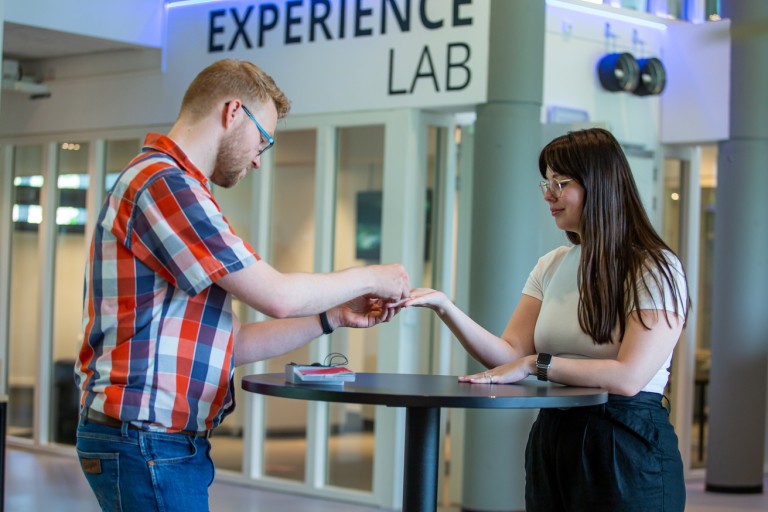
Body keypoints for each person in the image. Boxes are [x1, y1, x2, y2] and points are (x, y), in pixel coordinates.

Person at [74, 59, 410, 512]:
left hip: (156, 441)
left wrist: (332, 317)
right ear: (233, 112)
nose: (257, 158)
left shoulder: (177, 187)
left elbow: (226, 345)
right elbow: (278, 296)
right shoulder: (165, 185)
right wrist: (373, 274)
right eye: (262, 140)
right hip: (146, 439)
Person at [402, 128, 689, 511]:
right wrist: (445, 307)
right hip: (554, 432)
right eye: (547, 183)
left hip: (625, 439)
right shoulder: (552, 264)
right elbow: (509, 356)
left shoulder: (654, 267)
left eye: (561, 183)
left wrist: (537, 366)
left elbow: (628, 377)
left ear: (599, 185)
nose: (548, 195)